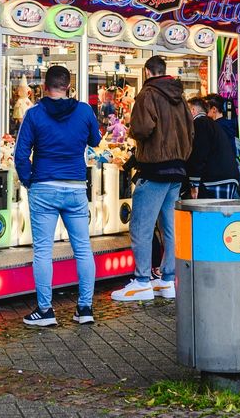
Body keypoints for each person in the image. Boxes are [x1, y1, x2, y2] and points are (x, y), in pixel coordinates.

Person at [13, 65, 101, 327]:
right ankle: (85, 308)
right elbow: (95, 141)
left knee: (43, 251)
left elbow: (20, 155)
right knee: (83, 249)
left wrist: (30, 181)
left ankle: (45, 310)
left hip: (44, 186)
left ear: (44, 86)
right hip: (75, 186)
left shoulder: (34, 114)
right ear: (69, 86)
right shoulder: (84, 110)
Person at [113, 55, 193, 301]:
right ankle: (168, 279)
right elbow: (191, 130)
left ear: (147, 72)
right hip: (177, 169)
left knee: (141, 226)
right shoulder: (181, 98)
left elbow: (142, 128)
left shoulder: (147, 94)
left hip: (154, 168)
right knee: (169, 226)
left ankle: (141, 281)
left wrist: (131, 128)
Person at [186, 97, 240, 198]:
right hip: (225, 176)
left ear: (192, 110)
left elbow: (199, 153)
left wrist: (194, 182)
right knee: (221, 212)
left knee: (213, 213)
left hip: (215, 179)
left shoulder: (200, 123)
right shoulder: (211, 124)